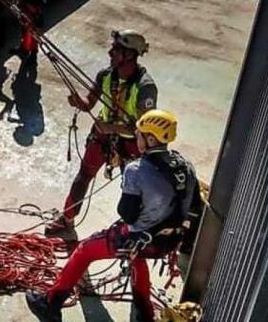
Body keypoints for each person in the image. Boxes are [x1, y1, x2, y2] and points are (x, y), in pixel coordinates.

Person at [26, 110, 200, 322]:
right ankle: (144, 313)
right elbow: (195, 206)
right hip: (169, 241)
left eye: (140, 135)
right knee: (137, 257)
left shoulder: (137, 170)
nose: (137, 139)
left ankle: (50, 304)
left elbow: (127, 214)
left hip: (142, 239)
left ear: (151, 138)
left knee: (85, 250)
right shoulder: (185, 165)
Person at [45, 29, 157, 240]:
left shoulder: (145, 87)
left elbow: (145, 130)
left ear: (130, 55)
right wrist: (80, 103)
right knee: (83, 176)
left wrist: (112, 128)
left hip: (132, 143)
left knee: (132, 188)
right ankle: (67, 219)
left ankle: (133, 231)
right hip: (103, 136)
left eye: (116, 50)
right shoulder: (105, 75)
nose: (110, 53)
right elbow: (90, 103)